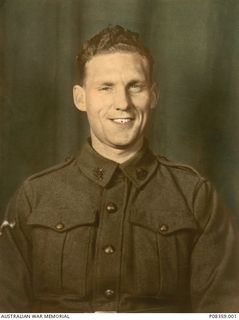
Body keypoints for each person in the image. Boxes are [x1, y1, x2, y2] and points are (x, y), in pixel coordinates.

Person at [0, 25, 238, 313]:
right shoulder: (34, 197)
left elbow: (223, 312)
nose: (122, 103)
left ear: (154, 95)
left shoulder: (196, 196)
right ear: (80, 98)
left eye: (134, 86)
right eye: (106, 88)